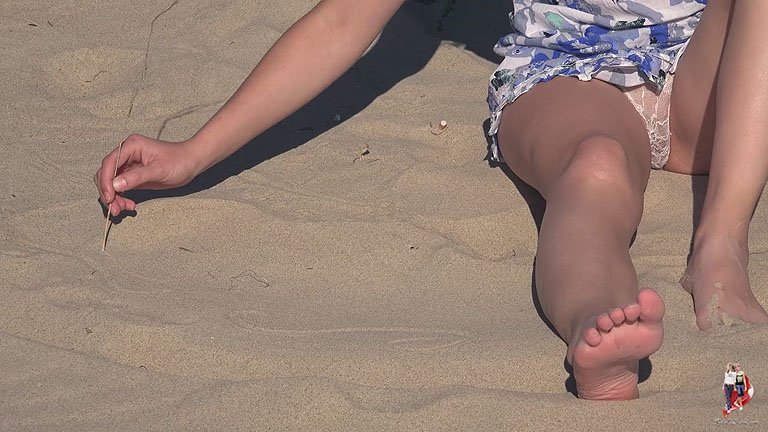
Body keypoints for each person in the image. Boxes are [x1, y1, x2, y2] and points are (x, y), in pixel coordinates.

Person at [95, 0, 768, 400]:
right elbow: (343, 21)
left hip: (717, 77)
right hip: (569, 77)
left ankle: (720, 244)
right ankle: (596, 323)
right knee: (593, 169)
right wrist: (194, 152)